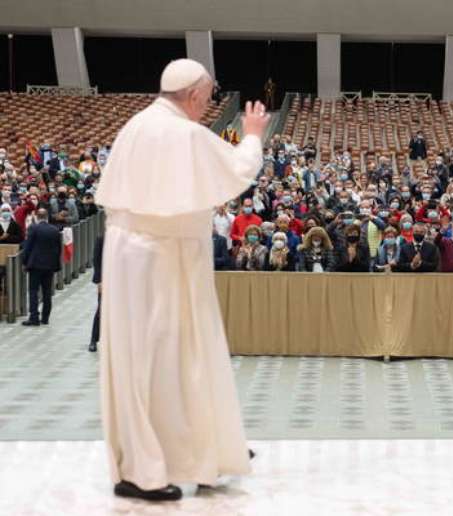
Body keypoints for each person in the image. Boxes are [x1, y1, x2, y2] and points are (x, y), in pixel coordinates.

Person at [94, 59, 270, 501]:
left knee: (147, 360)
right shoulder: (184, 133)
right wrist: (252, 134)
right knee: (176, 358)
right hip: (165, 256)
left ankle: (199, 451)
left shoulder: (137, 124)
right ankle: (146, 469)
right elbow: (237, 170)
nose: (209, 106)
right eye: (209, 98)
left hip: (129, 252)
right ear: (194, 95)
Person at [21, 208, 62, 326]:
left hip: (35, 265)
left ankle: (34, 317)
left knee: (33, 291)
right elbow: (58, 249)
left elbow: (28, 247)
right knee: (47, 292)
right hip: (49, 266)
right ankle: (45, 318)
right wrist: (56, 265)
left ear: (37, 217)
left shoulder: (33, 228)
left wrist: (24, 262)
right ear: (47, 217)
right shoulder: (54, 230)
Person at [89, 235, 104, 352]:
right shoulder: (101, 239)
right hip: (105, 281)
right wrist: (99, 281)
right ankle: (93, 340)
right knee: (101, 311)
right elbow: (97, 260)